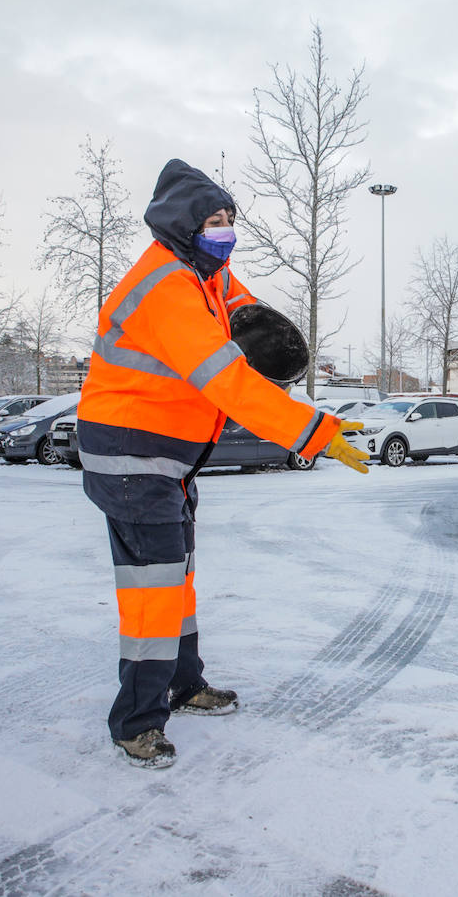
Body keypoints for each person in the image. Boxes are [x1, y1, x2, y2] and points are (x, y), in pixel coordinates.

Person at [76, 158, 369, 769]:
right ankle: (136, 722)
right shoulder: (165, 287)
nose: (226, 230)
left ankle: (182, 685)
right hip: (133, 457)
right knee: (153, 591)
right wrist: (313, 430)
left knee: (175, 583)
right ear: (184, 225)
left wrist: (273, 334)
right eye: (214, 220)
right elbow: (227, 380)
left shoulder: (206, 275)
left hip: (168, 459)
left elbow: (247, 314)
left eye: (231, 219)